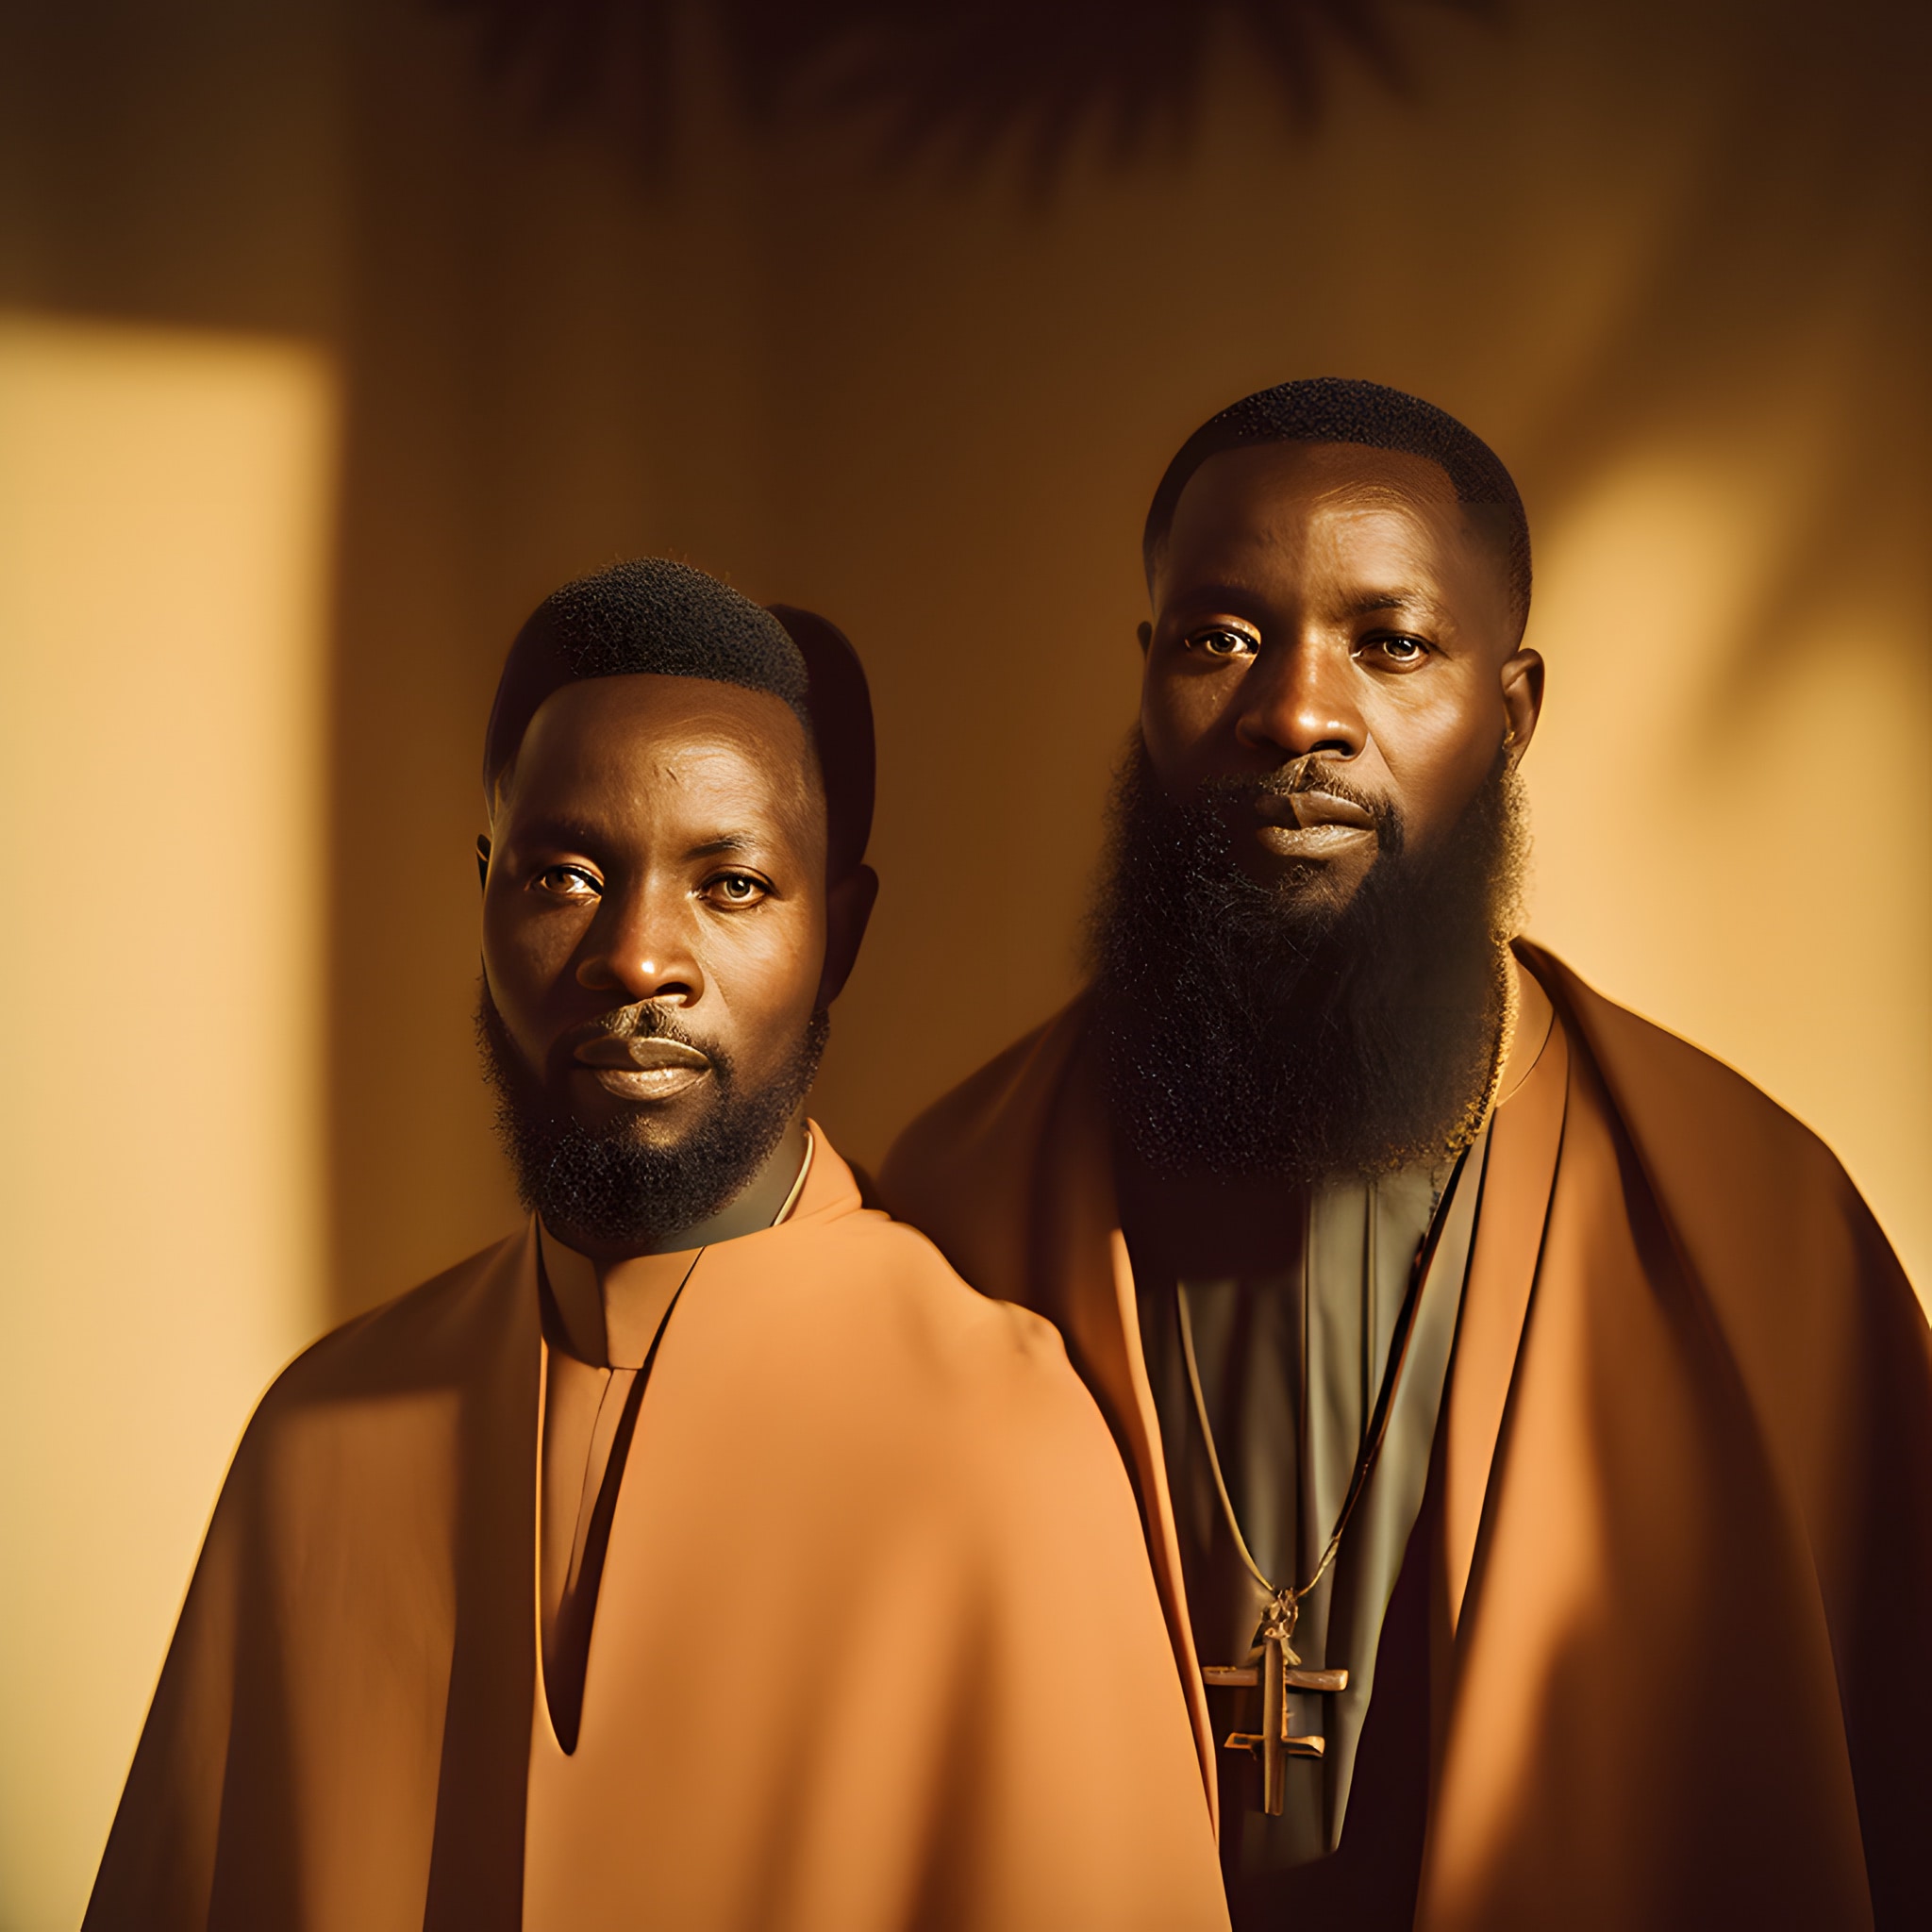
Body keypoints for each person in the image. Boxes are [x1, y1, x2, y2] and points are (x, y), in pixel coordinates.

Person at [881, 380, 1932, 1930]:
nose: (1295, 712)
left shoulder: (1764, 1229)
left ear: (1512, 714)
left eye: (1391, 643)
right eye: (1220, 637)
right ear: (1147, 678)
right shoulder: (950, 1205)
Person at [85, 560, 1228, 1932]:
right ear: (485, 894)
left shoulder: (1007, 1451)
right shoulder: (315, 1442)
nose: (636, 957)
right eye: (566, 874)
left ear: (839, 933)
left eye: (733, 885)